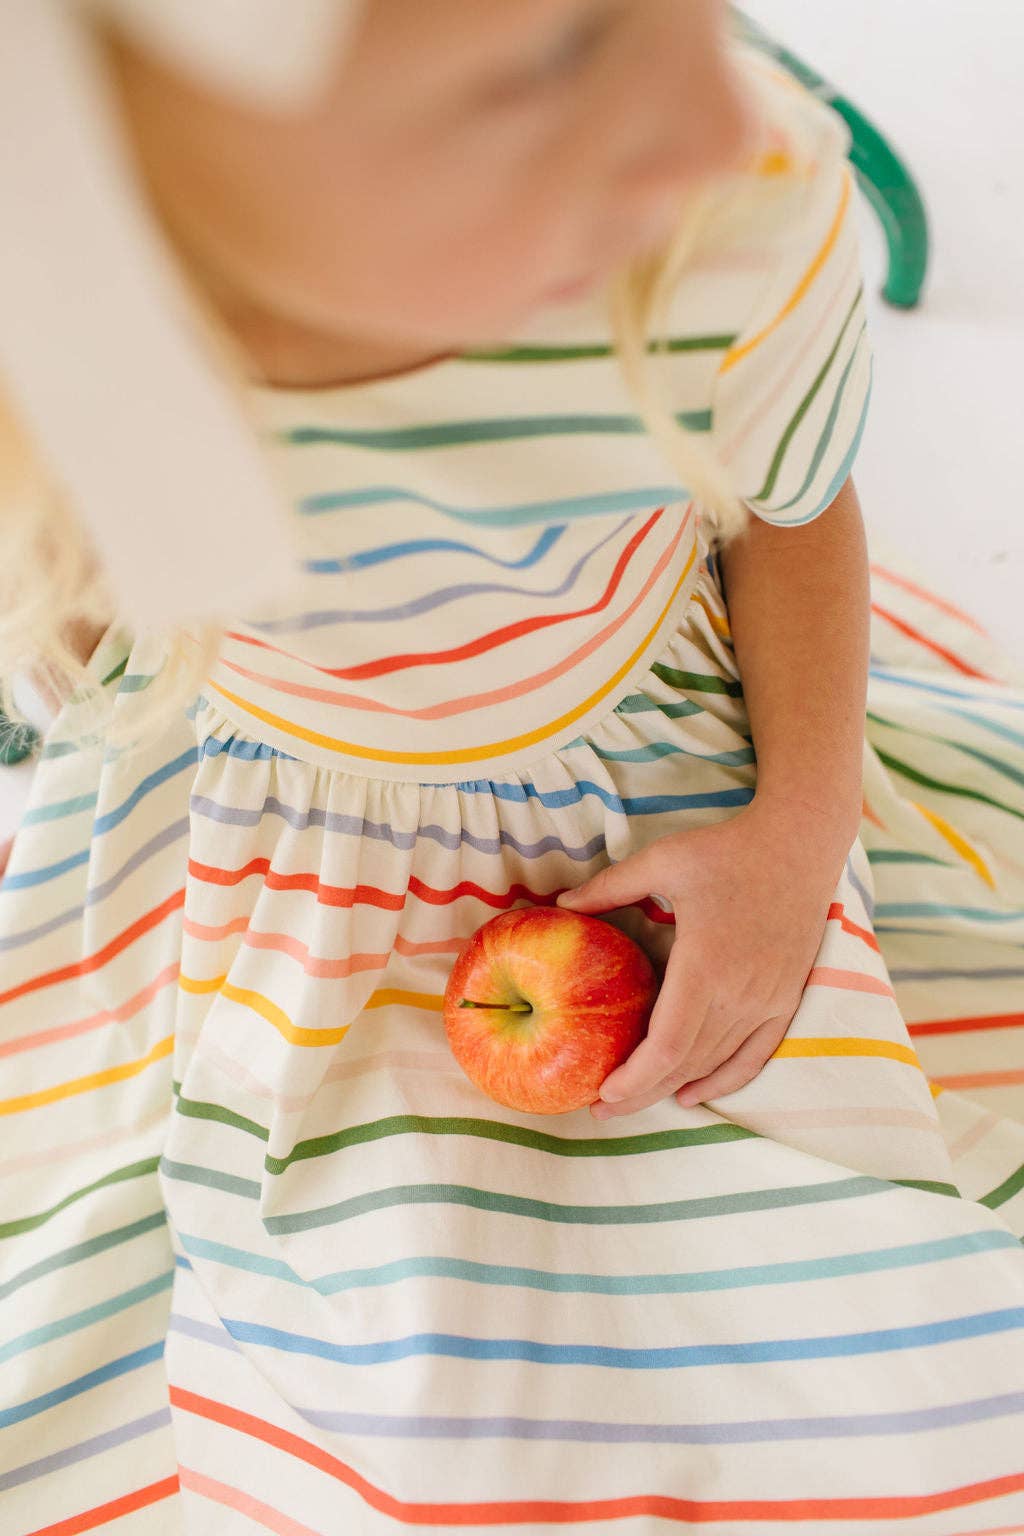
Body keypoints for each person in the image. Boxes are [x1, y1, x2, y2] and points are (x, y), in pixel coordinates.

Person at [1, 2, 1022, 1532]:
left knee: (835, 1352)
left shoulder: (727, 207)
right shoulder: (65, 323)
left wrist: (799, 836)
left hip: (671, 775)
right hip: (269, 844)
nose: (710, 111)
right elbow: (96, 626)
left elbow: (794, 513)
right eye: (551, 53)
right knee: (412, 1393)